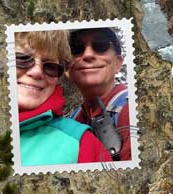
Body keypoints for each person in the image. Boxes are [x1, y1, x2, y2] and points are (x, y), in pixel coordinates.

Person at [16, 30, 111, 166]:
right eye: (22, 59)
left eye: (50, 67)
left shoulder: (81, 142)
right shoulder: (78, 115)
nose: (37, 72)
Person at [68, 28, 131, 161]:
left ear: (118, 63)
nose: (88, 54)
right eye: (76, 48)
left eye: (101, 45)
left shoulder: (131, 110)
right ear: (67, 67)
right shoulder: (73, 118)